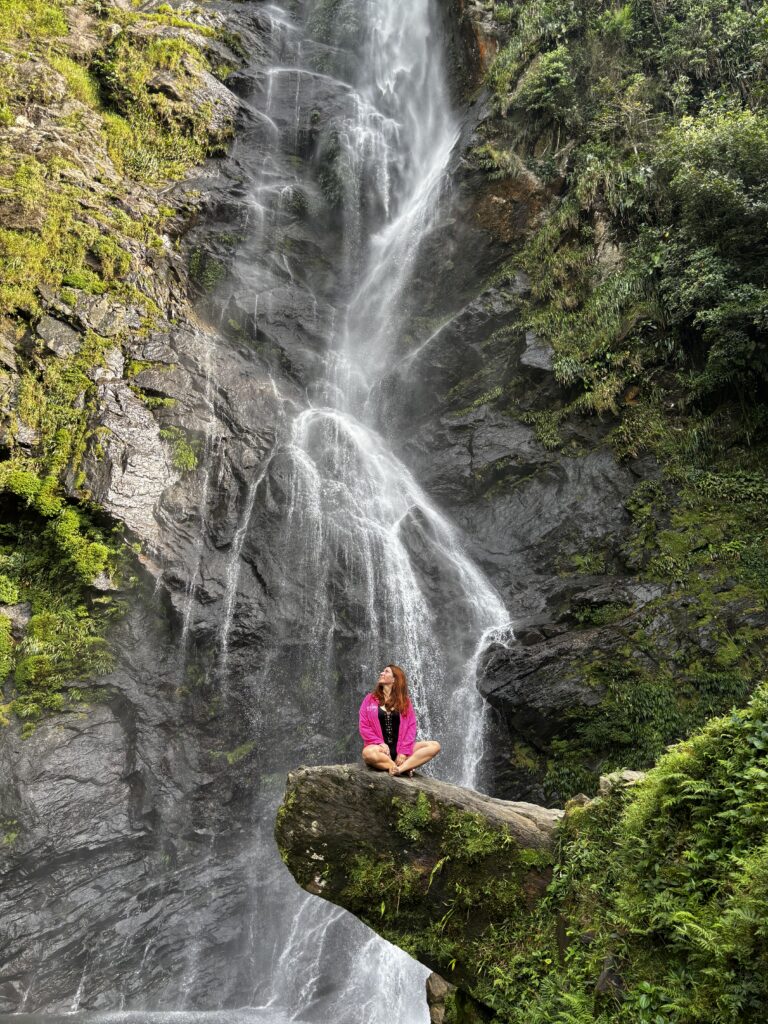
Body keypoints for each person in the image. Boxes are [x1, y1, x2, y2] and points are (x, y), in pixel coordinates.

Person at [359, 664, 441, 776]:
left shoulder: (405, 702)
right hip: (381, 751)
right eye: (382, 671)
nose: (381, 673)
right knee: (367, 753)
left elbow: (411, 728)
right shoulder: (369, 699)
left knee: (434, 746)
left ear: (394, 679)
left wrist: (403, 752)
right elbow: (364, 726)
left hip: (402, 751)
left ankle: (401, 768)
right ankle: (393, 766)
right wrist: (379, 743)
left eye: (386, 671)